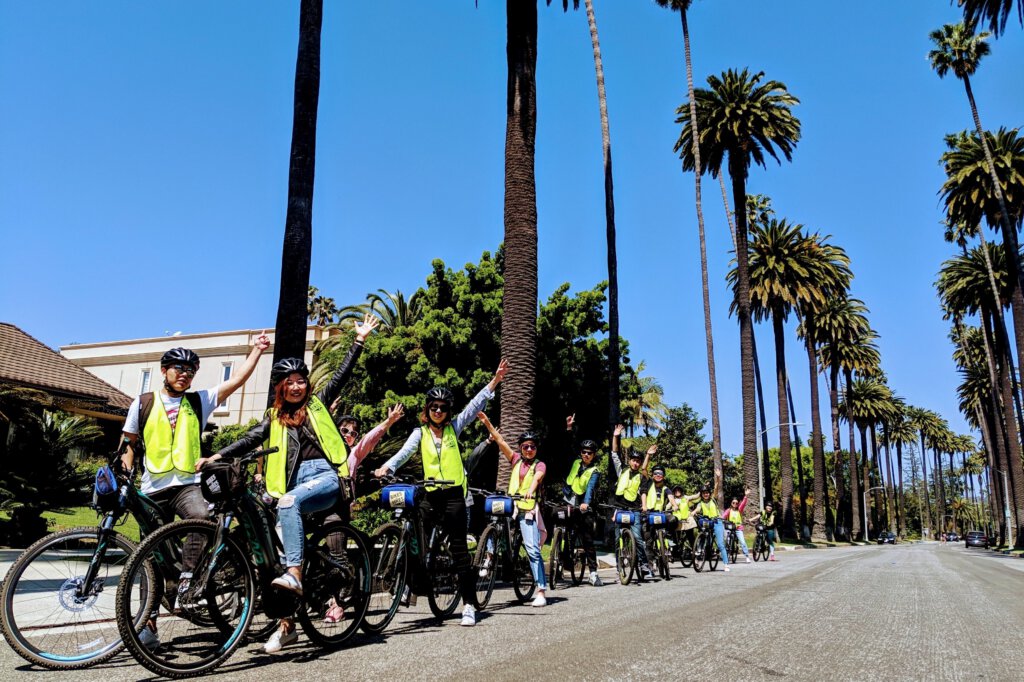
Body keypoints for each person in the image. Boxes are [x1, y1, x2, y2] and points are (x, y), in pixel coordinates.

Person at [198, 315, 379, 654]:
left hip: (325, 478)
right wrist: (216, 455)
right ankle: (287, 625)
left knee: (287, 507)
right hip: (292, 486)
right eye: (289, 381)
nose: (296, 386)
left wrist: (358, 342)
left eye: (301, 380)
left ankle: (296, 573)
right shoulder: (273, 418)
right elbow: (251, 439)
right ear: (280, 386)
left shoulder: (317, 404)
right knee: (272, 550)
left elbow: (340, 377)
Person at [120, 332, 270, 649]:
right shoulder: (143, 402)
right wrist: (124, 470)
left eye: (191, 370)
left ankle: (189, 581)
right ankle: (149, 625)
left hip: (186, 485)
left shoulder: (198, 400)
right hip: (151, 488)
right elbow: (128, 444)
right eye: (179, 368)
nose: (185, 374)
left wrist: (256, 350)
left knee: (201, 517)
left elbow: (237, 381)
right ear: (164, 370)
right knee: (151, 558)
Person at [374, 359, 508, 627]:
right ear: (428, 409)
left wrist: (494, 382)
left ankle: (469, 604)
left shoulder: (453, 429)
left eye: (443, 408)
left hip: (454, 496)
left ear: (448, 411)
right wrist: (386, 466)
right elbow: (403, 454)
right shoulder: (419, 432)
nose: (438, 411)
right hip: (430, 495)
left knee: (459, 550)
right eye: (433, 407)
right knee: (414, 533)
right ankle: (413, 583)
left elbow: (473, 407)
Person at [477, 413, 548, 607]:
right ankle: (489, 557)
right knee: (494, 521)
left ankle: (541, 590)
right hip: (511, 505)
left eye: (532, 446)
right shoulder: (515, 459)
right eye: (526, 446)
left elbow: (537, 478)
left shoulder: (539, 464)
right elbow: (500, 441)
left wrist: (530, 492)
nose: (529, 449)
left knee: (533, 550)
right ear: (521, 448)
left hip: (527, 508)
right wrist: (487, 423)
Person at [610, 424, 656, 580]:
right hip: (619, 508)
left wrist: (648, 455)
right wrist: (616, 435)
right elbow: (614, 454)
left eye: (638, 461)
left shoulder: (642, 475)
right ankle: (619, 568)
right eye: (634, 460)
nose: (636, 463)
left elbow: (643, 484)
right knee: (617, 540)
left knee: (637, 537)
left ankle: (643, 565)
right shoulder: (622, 470)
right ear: (629, 461)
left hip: (634, 509)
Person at [561, 415, 602, 586]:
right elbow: (568, 447)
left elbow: (591, 488)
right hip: (568, 497)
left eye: (589, 453)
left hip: (584, 504)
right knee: (564, 532)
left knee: (587, 539)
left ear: (593, 455)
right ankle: (562, 562)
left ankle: (593, 573)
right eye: (584, 452)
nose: (586, 455)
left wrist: (586, 503)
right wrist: (569, 429)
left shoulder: (595, 470)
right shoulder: (576, 461)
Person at [695, 475, 731, 572]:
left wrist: (718, 478)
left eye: (707, 493)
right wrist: (693, 513)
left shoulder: (713, 499)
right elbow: (697, 509)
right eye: (704, 493)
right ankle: (700, 551)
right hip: (707, 522)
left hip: (716, 522)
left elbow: (716, 488)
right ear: (701, 494)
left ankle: (726, 564)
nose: (706, 494)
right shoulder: (700, 503)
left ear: (709, 494)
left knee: (720, 544)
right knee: (703, 535)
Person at [722, 489, 752, 563]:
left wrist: (746, 496)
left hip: (738, 528)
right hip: (730, 528)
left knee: (742, 542)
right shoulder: (728, 510)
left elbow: (743, 503)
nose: (735, 504)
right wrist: (721, 519)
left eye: (736, 503)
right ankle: (726, 554)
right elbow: (724, 516)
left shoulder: (739, 510)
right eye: (733, 502)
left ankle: (747, 556)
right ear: (731, 503)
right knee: (727, 541)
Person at [670, 485, 699, 560]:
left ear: (681, 491)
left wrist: (703, 489)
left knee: (690, 535)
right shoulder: (672, 499)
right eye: (675, 491)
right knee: (675, 537)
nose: (677, 492)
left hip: (687, 519)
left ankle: (694, 550)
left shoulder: (686, 497)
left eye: (678, 490)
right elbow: (667, 507)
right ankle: (674, 552)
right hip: (678, 520)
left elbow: (695, 496)